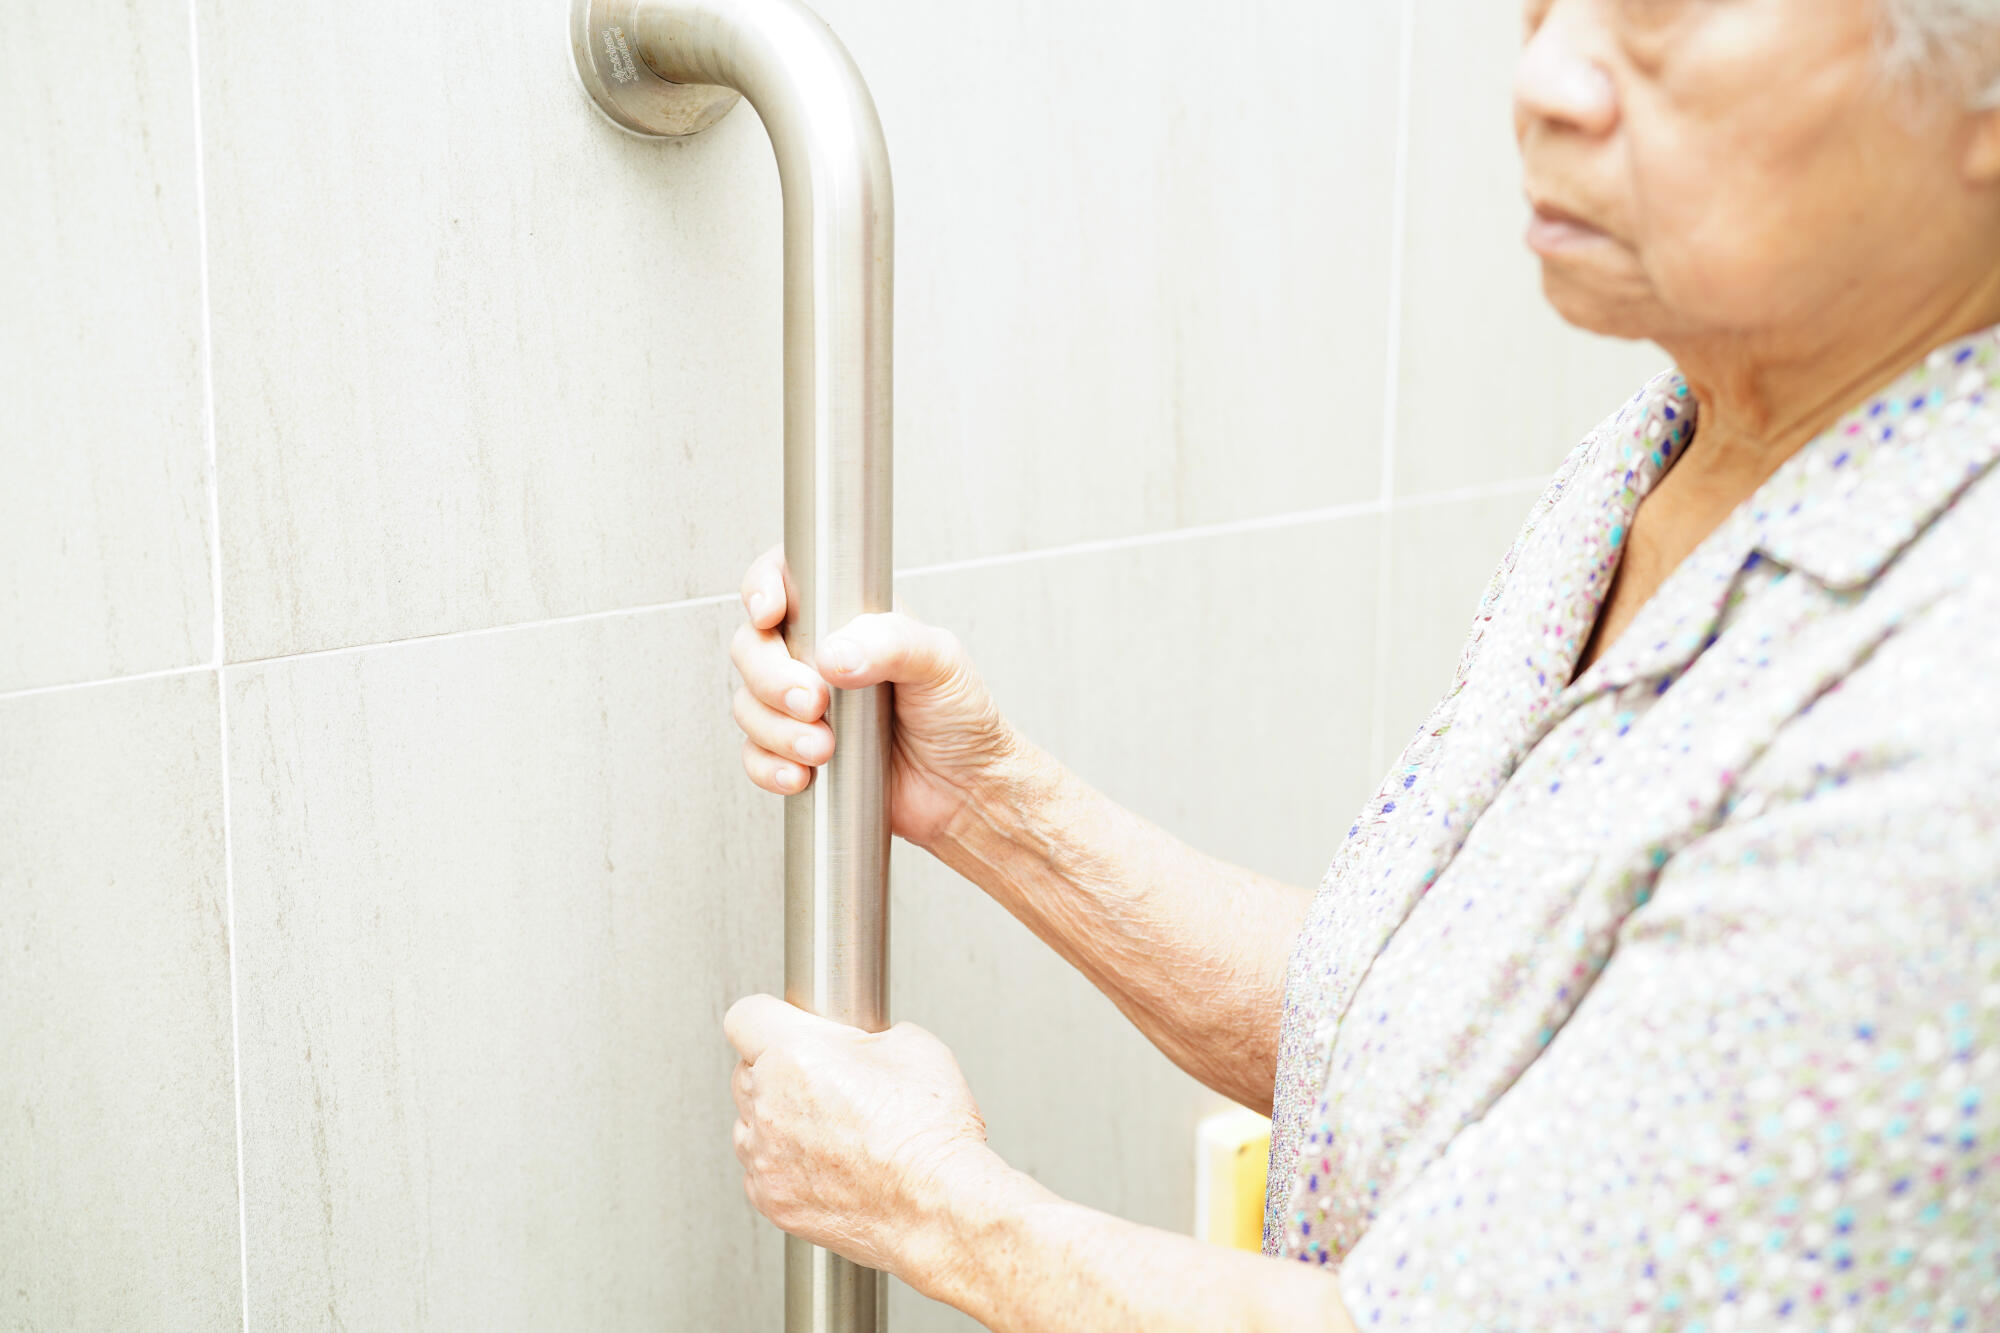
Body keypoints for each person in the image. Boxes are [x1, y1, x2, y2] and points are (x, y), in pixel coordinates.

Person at [723, 0, 2000, 1325]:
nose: (1547, 77)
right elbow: (1442, 1044)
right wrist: (988, 805)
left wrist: (928, 1197)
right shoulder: (1672, 445)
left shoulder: (1954, 715)